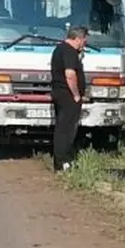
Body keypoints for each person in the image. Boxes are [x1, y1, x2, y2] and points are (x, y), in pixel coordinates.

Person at [50, 26, 88, 172]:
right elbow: (70, 75)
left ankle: (60, 161)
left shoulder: (59, 49)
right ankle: (63, 162)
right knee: (66, 130)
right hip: (68, 95)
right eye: (84, 40)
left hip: (59, 93)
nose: (84, 43)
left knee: (61, 128)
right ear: (78, 38)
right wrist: (76, 94)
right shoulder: (69, 52)